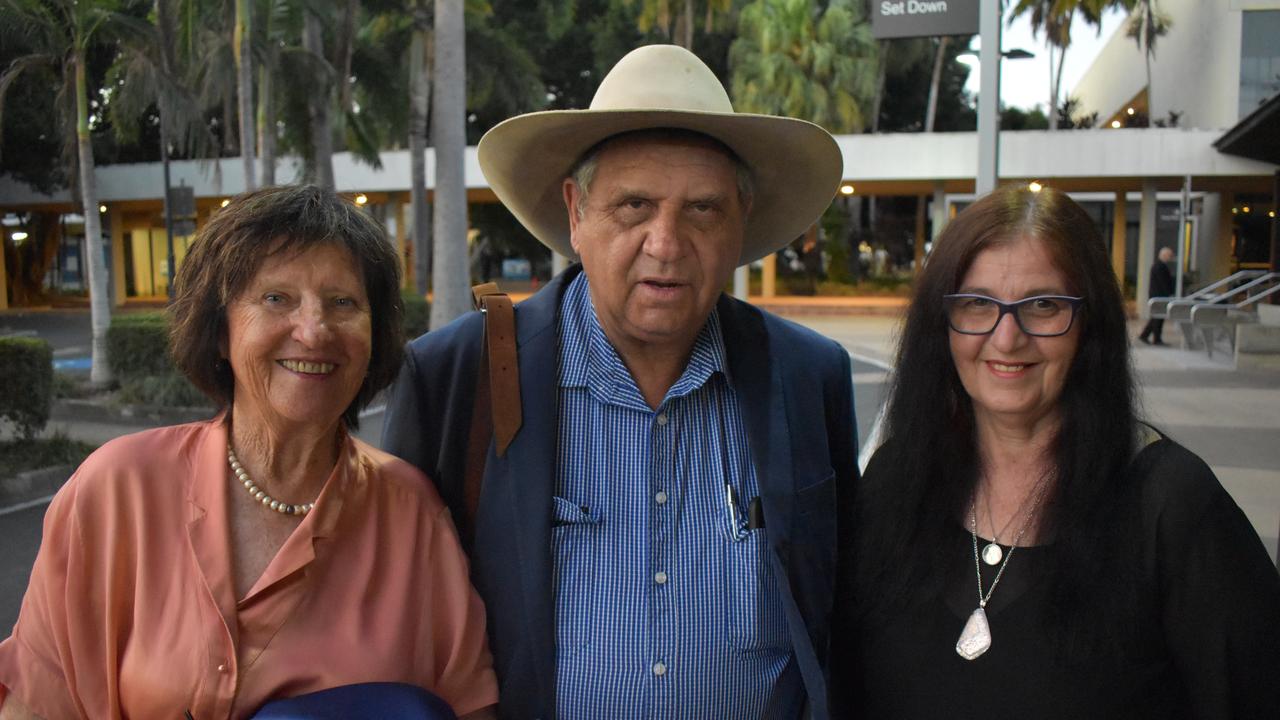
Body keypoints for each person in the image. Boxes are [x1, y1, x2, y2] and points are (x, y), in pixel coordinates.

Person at [382, 45, 857, 719]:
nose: (666, 242)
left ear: (740, 221)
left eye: (702, 210)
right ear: (576, 212)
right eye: (634, 205)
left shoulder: (808, 377)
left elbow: (841, 611)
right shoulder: (461, 377)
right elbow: (402, 622)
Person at [0, 186, 498, 719]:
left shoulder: (413, 515)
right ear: (220, 333)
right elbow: (37, 702)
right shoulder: (118, 488)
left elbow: (469, 707)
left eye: (343, 302)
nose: (314, 330)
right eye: (276, 298)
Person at [831, 185, 1280, 718]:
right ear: (941, 325)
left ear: (1089, 327)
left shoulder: (1171, 505)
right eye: (977, 304)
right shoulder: (894, 479)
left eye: (1043, 306)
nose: (1006, 338)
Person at [1138, 246, 1176, 345]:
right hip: (1159, 296)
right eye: (1169, 255)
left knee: (1157, 317)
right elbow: (1163, 283)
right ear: (1164, 255)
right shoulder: (1159, 266)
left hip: (1158, 296)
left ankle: (1147, 336)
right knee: (1157, 317)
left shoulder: (1159, 266)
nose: (1171, 257)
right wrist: (1169, 294)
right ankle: (1154, 338)